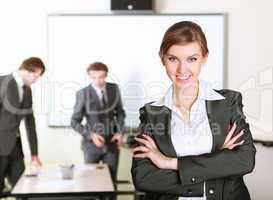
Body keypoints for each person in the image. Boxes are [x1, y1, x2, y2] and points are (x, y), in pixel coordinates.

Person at [131, 21, 256, 200]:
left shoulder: (228, 102)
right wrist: (219, 160)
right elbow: (144, 178)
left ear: (204, 58)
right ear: (162, 59)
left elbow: (244, 160)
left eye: (192, 59)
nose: (182, 69)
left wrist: (169, 163)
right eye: (173, 59)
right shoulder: (151, 113)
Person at [71, 62, 125, 181]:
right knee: (90, 183)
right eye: (93, 77)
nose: (97, 81)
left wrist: (120, 132)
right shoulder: (82, 93)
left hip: (112, 144)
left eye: (101, 77)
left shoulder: (114, 89)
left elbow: (120, 113)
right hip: (91, 146)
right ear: (89, 77)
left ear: (106, 75)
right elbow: (74, 122)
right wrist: (91, 135)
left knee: (111, 183)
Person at [0, 57, 44, 193]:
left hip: (15, 146)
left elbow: (30, 123)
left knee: (22, 187)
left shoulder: (27, 90)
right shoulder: (2, 82)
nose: (36, 80)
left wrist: (34, 154)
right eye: (36, 76)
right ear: (26, 71)